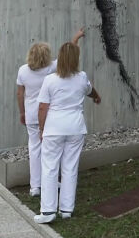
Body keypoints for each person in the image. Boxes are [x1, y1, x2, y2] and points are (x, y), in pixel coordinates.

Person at [34, 41, 101, 224]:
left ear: (60, 58)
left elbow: (42, 107)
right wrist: (96, 96)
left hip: (54, 128)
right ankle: (66, 209)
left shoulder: (50, 80)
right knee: (70, 168)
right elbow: (90, 90)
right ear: (76, 58)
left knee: (49, 168)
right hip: (75, 128)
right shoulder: (81, 77)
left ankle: (48, 211)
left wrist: (41, 129)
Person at [16, 28, 85, 197]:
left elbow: (20, 93)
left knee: (34, 149)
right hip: (49, 116)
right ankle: (51, 182)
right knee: (51, 153)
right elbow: (68, 54)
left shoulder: (23, 70)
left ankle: (35, 186)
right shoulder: (51, 68)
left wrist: (22, 112)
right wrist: (76, 38)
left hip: (32, 115)